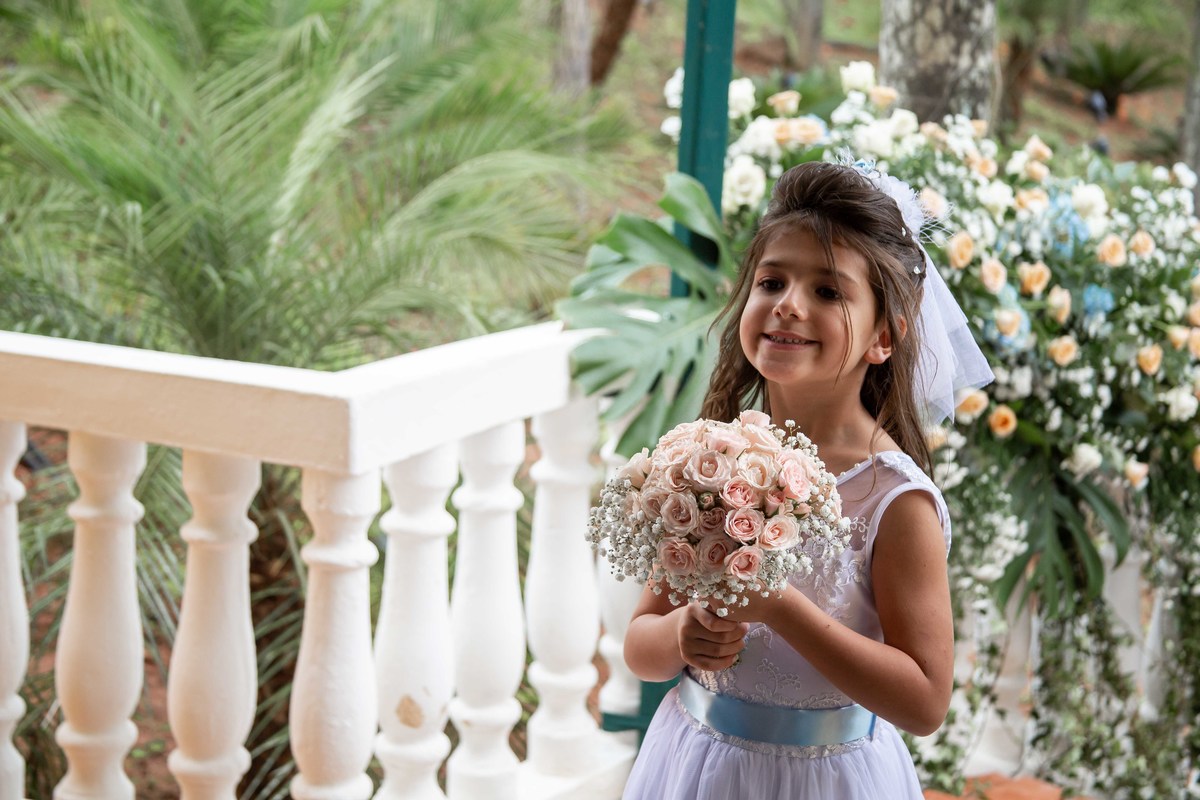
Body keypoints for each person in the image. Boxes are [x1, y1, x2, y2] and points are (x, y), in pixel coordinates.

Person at [621, 160, 994, 799]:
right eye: (771, 281)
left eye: (828, 291)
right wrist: (682, 635)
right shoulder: (711, 463)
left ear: (884, 335)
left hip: (828, 780)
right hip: (695, 767)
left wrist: (781, 609)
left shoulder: (892, 499)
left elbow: (926, 701)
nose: (788, 305)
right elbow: (640, 644)